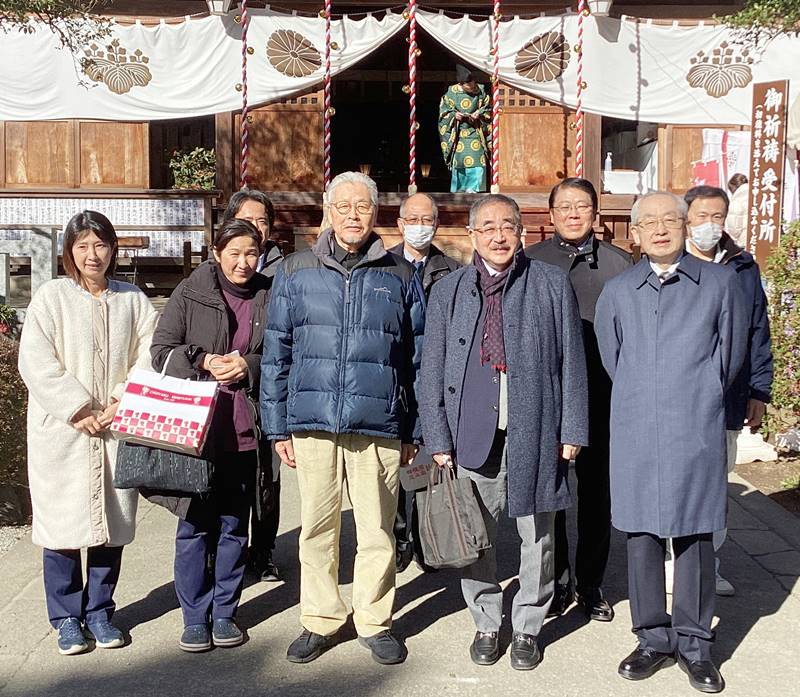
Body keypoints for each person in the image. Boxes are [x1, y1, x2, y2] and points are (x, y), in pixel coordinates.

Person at [261, 171, 425, 666]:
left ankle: (375, 619)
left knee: (376, 528)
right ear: (328, 211)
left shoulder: (399, 274)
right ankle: (320, 618)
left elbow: (417, 357)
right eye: (344, 206)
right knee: (316, 526)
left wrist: (413, 426)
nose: (353, 215)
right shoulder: (294, 271)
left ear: (376, 214)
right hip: (311, 421)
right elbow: (277, 352)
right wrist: (277, 426)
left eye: (363, 206)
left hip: (377, 422)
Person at [419, 194, 589, 670]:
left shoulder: (550, 284)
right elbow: (430, 368)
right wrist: (437, 436)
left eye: (508, 226)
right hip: (471, 431)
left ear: (521, 232)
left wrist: (572, 426)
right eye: (488, 227)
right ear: (472, 235)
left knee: (540, 535)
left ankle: (530, 626)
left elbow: (572, 363)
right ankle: (487, 621)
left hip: (536, 430)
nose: (498, 236)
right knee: (476, 535)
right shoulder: (449, 290)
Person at [595, 191, 748, 694]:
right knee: (640, 536)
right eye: (648, 223)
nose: (660, 229)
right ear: (633, 234)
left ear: (685, 227)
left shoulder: (721, 285)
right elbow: (612, 359)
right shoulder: (618, 291)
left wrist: (696, 394)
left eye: (670, 220)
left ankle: (695, 642)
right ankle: (651, 638)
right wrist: (648, 396)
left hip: (694, 427)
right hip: (636, 429)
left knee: (695, 535)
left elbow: (729, 359)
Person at [18, 210, 158, 655]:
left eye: (100, 245)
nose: (92, 255)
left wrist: (120, 400)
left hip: (116, 425)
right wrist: (77, 407)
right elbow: (36, 361)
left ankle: (100, 611)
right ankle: (64, 618)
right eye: (82, 246)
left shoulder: (133, 299)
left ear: (113, 249)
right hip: (63, 430)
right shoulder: (50, 297)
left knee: (111, 522)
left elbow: (149, 355)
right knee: (62, 525)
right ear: (69, 253)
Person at [150, 218, 272, 652]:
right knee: (194, 526)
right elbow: (161, 350)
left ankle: (225, 612)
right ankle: (194, 617)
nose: (243, 262)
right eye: (235, 253)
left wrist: (249, 366)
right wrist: (201, 360)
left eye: (251, 253)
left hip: (241, 427)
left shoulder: (267, 293)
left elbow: (277, 349)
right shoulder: (191, 291)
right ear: (216, 253)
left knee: (234, 525)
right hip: (195, 429)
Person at [526, 178, 632, 621]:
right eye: (564, 206)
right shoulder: (529, 261)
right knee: (550, 491)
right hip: (548, 395)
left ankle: (590, 583)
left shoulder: (619, 264)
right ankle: (555, 581)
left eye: (582, 206)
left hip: (604, 394)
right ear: (550, 215)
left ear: (595, 213)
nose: (573, 214)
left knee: (595, 494)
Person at [684, 184, 773, 597]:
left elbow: (758, 330)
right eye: (701, 216)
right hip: (678, 398)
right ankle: (672, 562)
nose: (709, 225)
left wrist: (760, 389)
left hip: (729, 394)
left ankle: (707, 564)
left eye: (717, 216)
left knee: (717, 482)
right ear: (686, 218)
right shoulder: (669, 262)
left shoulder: (742, 266)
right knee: (677, 479)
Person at [388, 191, 461, 573]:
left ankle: (428, 536)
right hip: (395, 376)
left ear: (436, 224)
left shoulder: (451, 270)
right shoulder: (382, 267)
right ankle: (400, 537)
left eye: (427, 219)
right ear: (400, 224)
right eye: (412, 219)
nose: (420, 226)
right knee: (396, 460)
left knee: (432, 456)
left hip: (436, 376)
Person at [222, 188, 283, 583]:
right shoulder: (215, 275)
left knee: (268, 478)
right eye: (247, 219)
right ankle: (227, 552)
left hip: (266, 393)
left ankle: (263, 550)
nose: (255, 228)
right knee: (229, 482)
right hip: (224, 395)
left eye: (262, 221)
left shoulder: (283, 271)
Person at [439, 65, 491, 193]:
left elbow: (488, 108)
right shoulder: (451, 94)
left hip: (476, 133)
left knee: (477, 163)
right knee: (460, 164)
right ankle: (459, 190)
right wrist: (453, 115)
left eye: (473, 84)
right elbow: (444, 113)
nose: (472, 87)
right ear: (461, 84)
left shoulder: (481, 91)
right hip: (459, 135)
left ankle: (474, 190)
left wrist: (479, 114)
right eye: (469, 86)